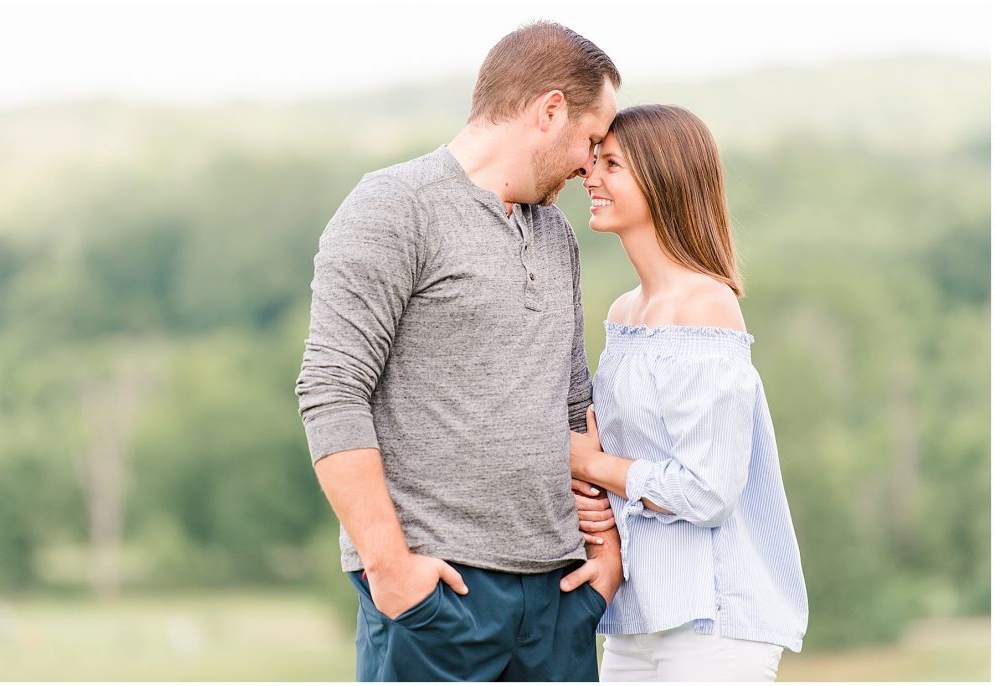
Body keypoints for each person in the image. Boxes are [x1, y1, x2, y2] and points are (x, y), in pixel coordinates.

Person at [295, 21, 624, 682]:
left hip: (559, 604)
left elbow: (571, 406)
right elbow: (331, 388)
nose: (591, 165)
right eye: (591, 141)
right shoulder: (393, 207)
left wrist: (604, 559)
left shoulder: (555, 234)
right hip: (442, 598)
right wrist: (390, 567)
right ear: (549, 109)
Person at [568, 104, 809, 681]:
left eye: (611, 165)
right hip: (638, 614)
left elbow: (708, 491)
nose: (590, 178)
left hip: (714, 621)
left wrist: (596, 466)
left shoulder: (705, 306)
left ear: (662, 178)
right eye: (592, 162)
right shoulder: (626, 311)